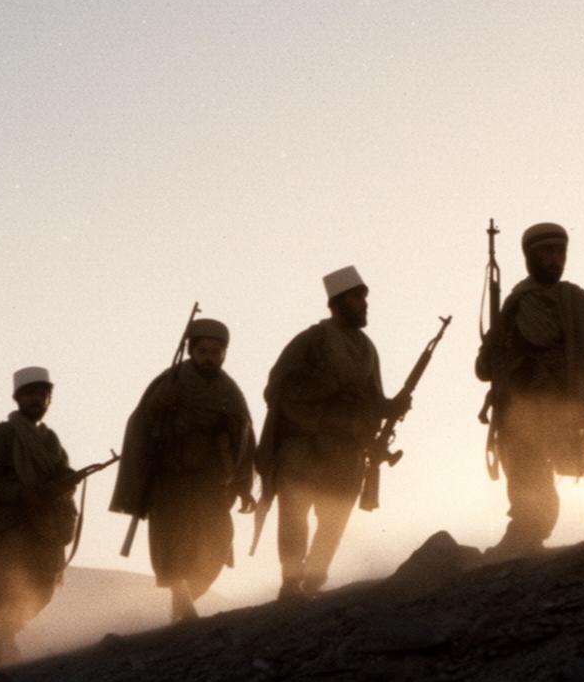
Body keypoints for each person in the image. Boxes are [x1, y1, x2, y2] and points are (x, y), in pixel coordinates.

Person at [475, 223, 584, 559]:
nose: (554, 259)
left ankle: (530, 533)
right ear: (530, 257)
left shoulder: (575, 301)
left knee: (539, 472)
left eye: (559, 252)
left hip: (561, 403)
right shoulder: (514, 303)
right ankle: (523, 534)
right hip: (518, 405)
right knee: (522, 470)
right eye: (546, 252)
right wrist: (495, 348)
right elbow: (484, 369)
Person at [258, 266, 407, 599]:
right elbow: (276, 388)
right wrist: (326, 393)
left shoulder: (367, 349)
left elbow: (374, 400)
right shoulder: (311, 341)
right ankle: (291, 583)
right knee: (295, 517)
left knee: (335, 518)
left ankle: (314, 579)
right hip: (303, 446)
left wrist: (392, 406)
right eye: (357, 298)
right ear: (338, 302)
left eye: (364, 297)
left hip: (347, 449)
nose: (364, 304)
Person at [110, 317, 257, 622]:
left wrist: (243, 485)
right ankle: (181, 600)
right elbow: (141, 426)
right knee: (174, 547)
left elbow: (245, 436)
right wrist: (159, 408)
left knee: (218, 542)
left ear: (224, 355)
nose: (209, 358)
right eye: (203, 351)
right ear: (191, 351)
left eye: (216, 352)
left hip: (211, 483)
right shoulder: (169, 382)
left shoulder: (230, 391)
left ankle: (184, 601)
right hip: (171, 481)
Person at [0, 366, 84, 667]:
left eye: (42, 394)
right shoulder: (3, 435)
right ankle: (5, 646)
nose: (36, 400)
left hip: (44, 528)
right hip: (9, 527)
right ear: (18, 398)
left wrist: (66, 482)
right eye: (29, 394)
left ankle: (3, 646)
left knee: (41, 588)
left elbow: (59, 478)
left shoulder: (52, 441)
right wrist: (20, 493)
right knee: (8, 585)